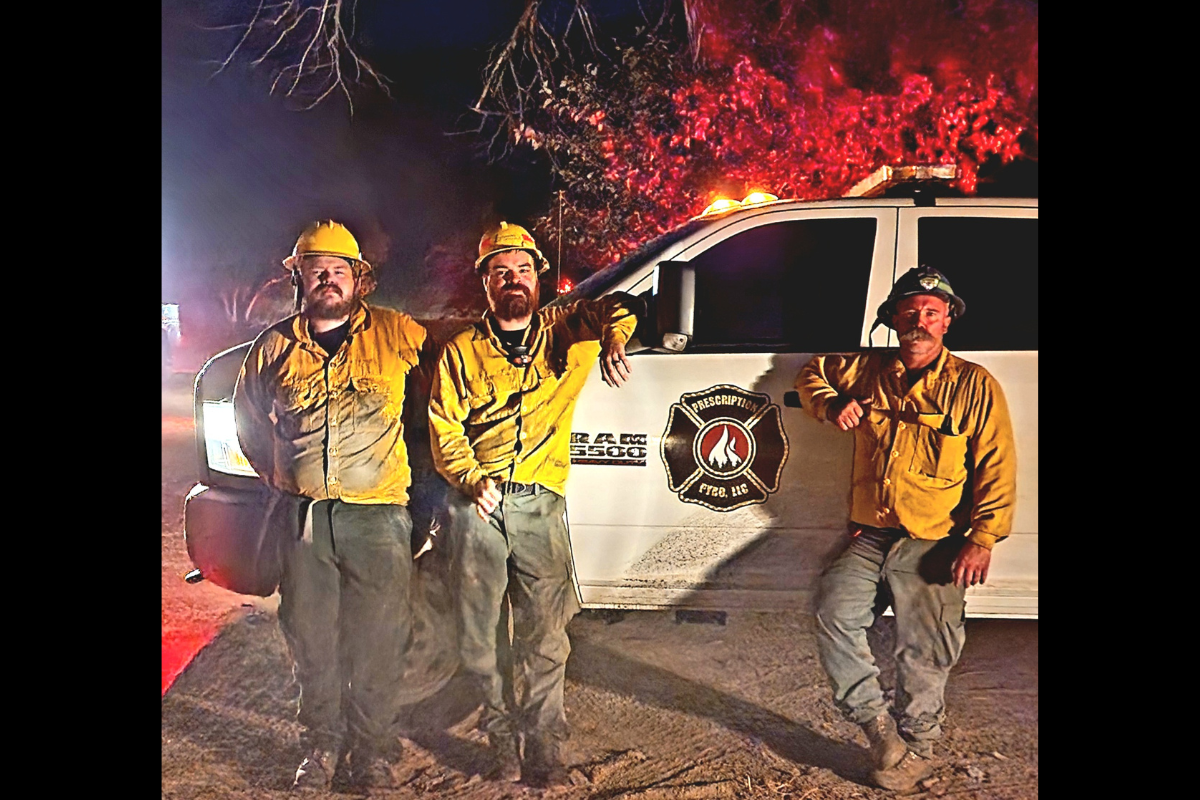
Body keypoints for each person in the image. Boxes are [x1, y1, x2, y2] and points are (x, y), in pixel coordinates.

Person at [428, 221, 637, 787]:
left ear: (538, 277)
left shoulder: (568, 332)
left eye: (523, 269)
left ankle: (543, 743)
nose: (513, 280)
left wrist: (615, 337)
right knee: (478, 632)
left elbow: (619, 302)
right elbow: (445, 428)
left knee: (545, 632)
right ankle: (500, 737)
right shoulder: (461, 352)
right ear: (486, 283)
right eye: (501, 272)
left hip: (540, 502)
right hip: (477, 503)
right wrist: (471, 479)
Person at [795, 265, 1017, 792]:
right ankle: (877, 730)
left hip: (936, 539)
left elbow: (997, 466)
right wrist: (831, 403)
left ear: (947, 323)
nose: (920, 320)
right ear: (893, 318)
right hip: (871, 534)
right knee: (833, 611)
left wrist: (982, 538)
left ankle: (917, 747)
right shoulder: (868, 370)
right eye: (910, 310)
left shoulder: (974, 385)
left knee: (924, 648)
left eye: (932, 313)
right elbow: (811, 373)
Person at [234, 220, 432, 790]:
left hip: (378, 515)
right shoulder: (273, 346)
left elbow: (458, 367)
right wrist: (273, 468)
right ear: (298, 277)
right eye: (316, 268)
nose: (328, 278)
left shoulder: (398, 333)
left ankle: (370, 753)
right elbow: (246, 415)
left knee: (378, 640)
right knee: (311, 638)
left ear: (358, 279)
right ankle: (320, 748)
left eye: (339, 269)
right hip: (306, 519)